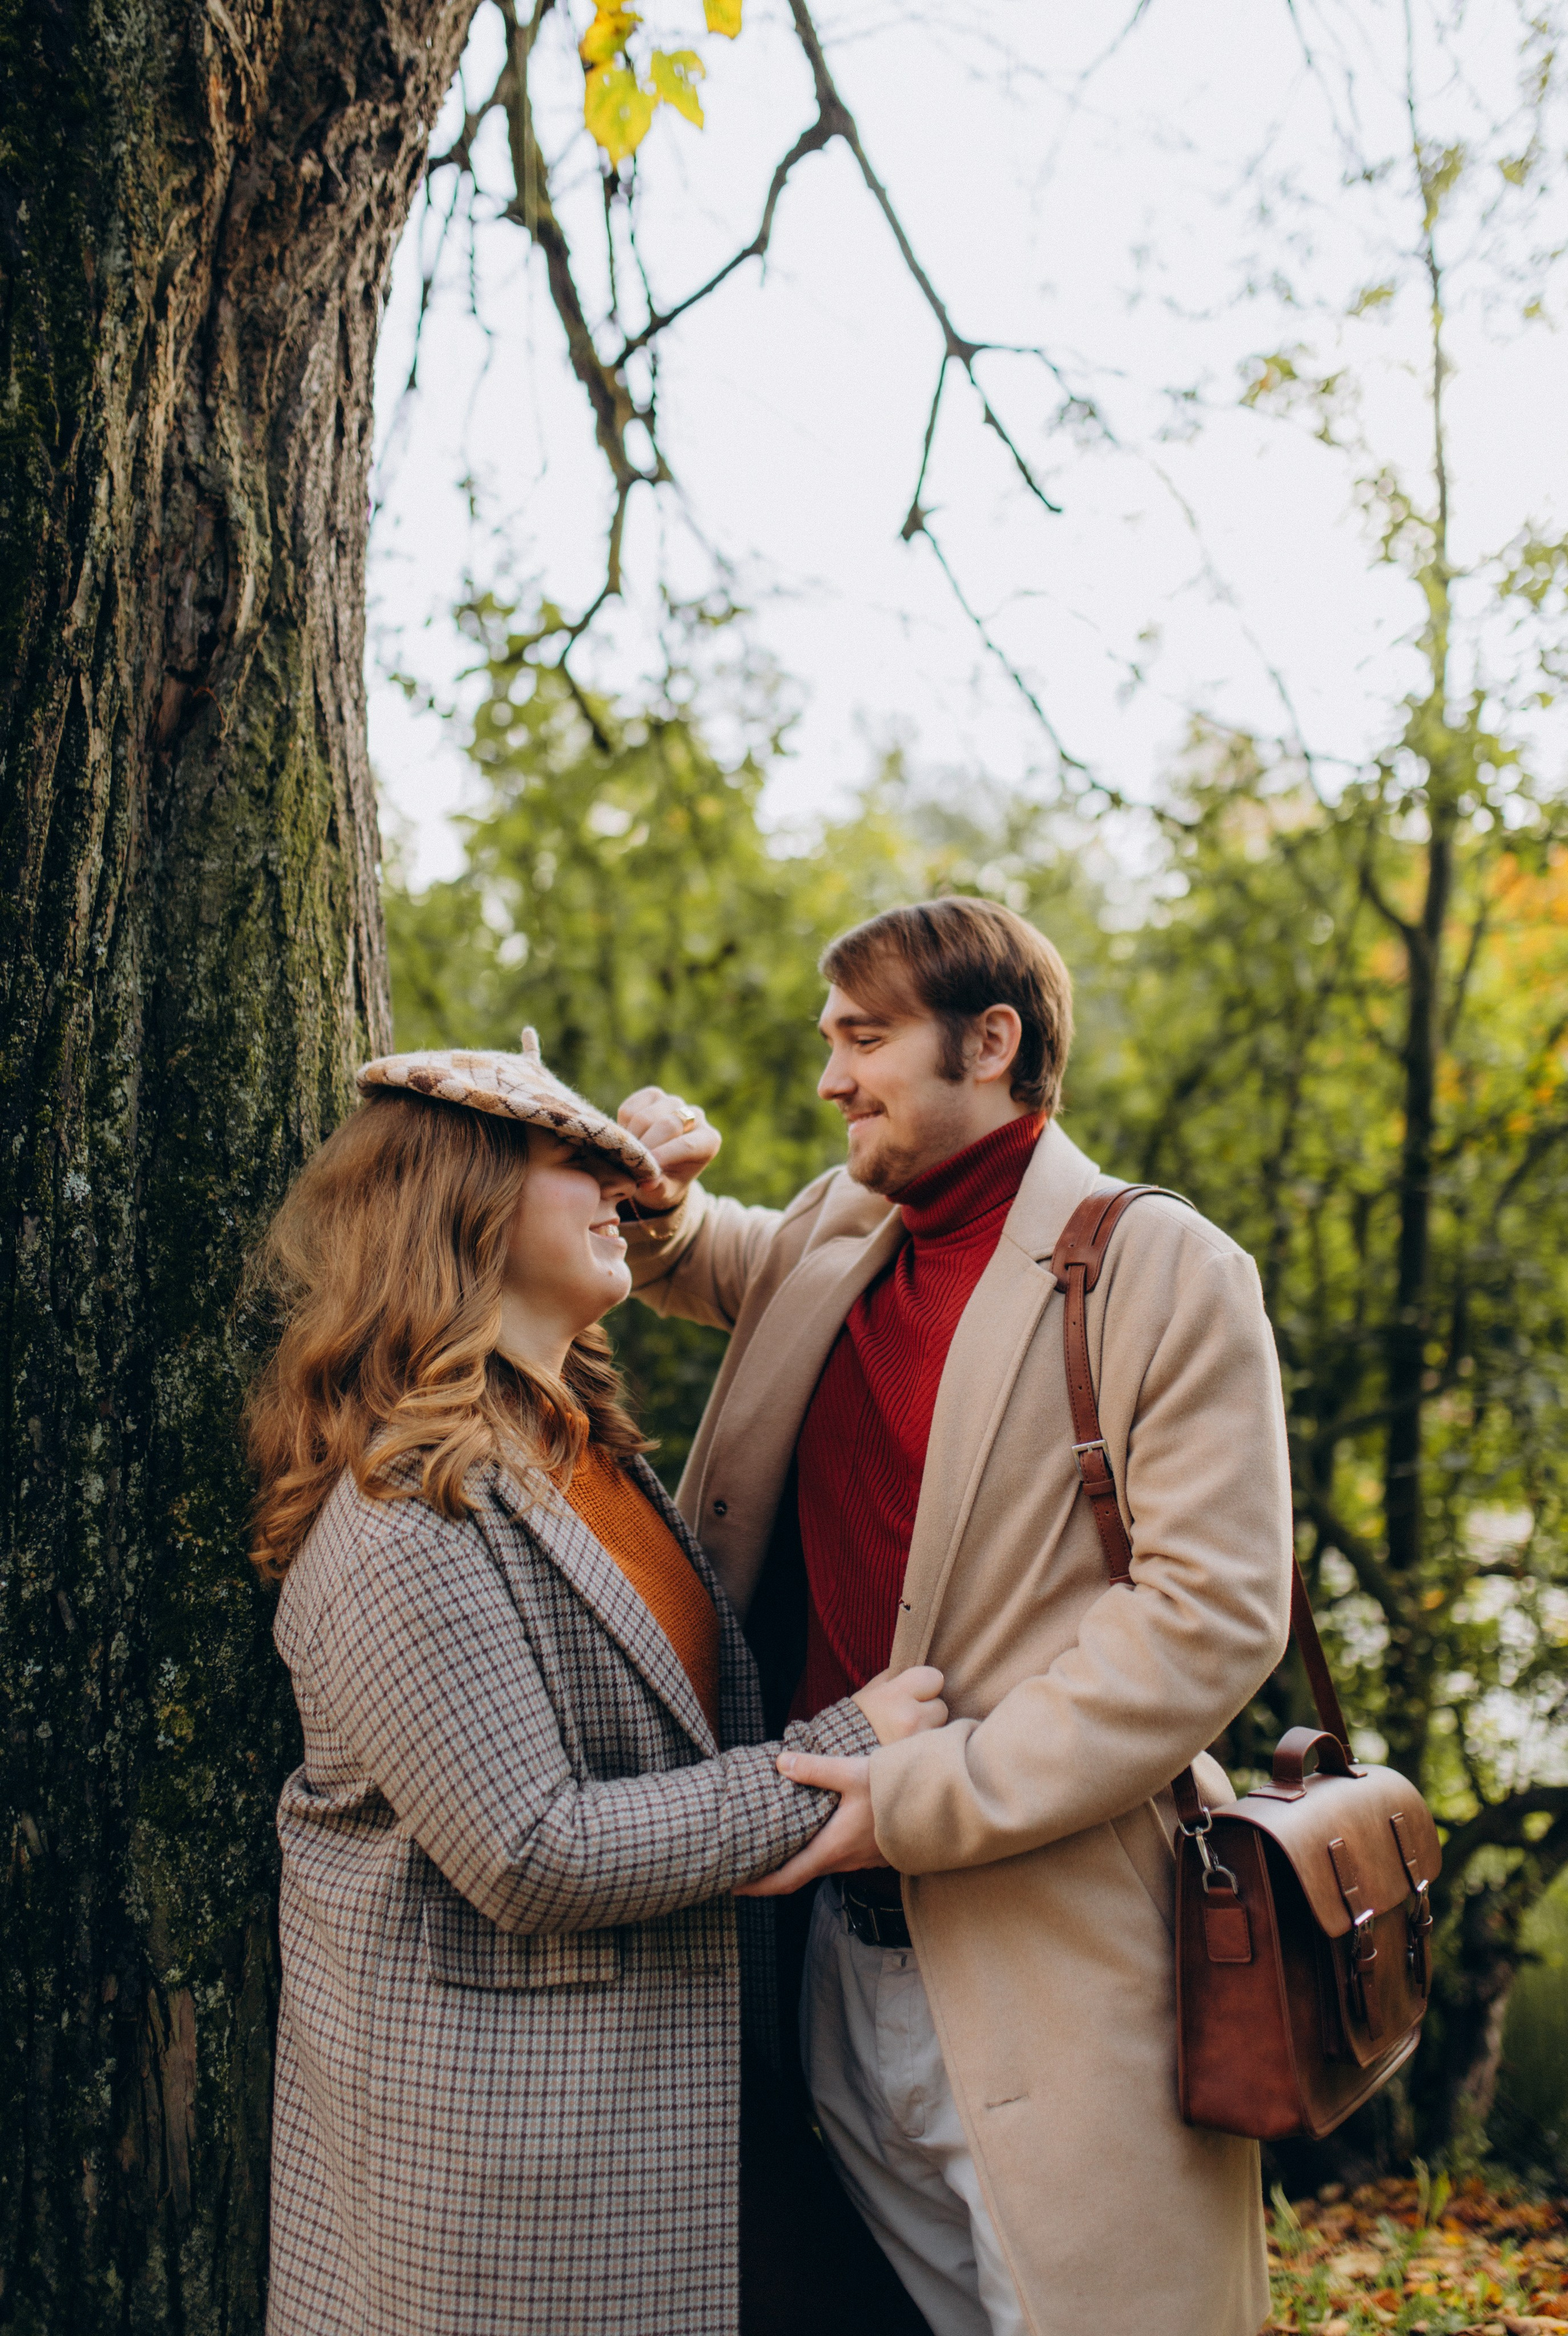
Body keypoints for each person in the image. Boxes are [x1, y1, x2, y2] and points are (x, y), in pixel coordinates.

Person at [616, 899, 1295, 2336]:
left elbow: (1211, 1613)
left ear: (990, 1042)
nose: (829, 1079)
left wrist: (922, 1800)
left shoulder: (1164, 1268)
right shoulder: (843, 1218)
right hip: (824, 1970)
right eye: (829, 1042)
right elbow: (715, 1261)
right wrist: (658, 1200)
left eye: (864, 1040)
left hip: (1056, 1959)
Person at [243, 1032, 949, 2336]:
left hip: (689, 2110)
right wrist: (836, 1756)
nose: (624, 1194)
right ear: (467, 1203)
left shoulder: (581, 1451)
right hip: (519, 2170)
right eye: (581, 1166)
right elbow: (529, 1849)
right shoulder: (410, 1509)